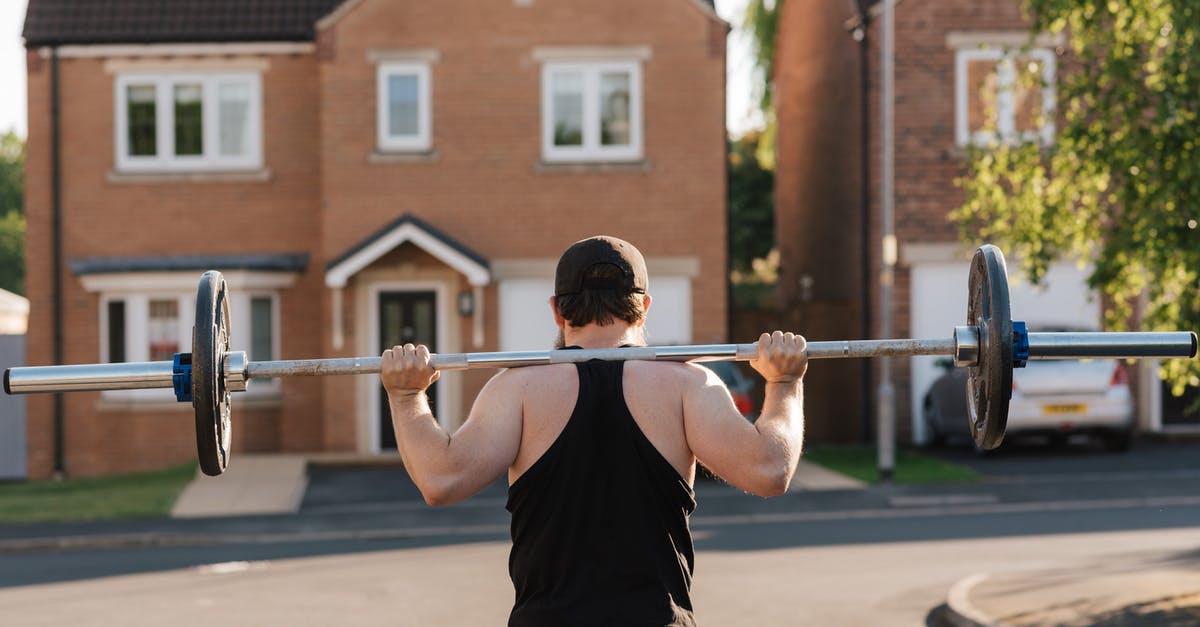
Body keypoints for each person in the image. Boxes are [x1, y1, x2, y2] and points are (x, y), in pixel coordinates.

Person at [381, 236, 808, 627]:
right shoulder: (689, 385)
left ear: (556, 308)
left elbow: (441, 479)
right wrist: (784, 383)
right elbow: (771, 470)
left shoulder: (517, 388)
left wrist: (405, 395)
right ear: (644, 306)